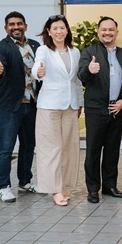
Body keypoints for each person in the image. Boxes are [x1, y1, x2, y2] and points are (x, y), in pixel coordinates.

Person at [78, 16, 122, 203]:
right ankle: (93, 189)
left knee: (112, 150)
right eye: (104, 29)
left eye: (111, 29)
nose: (107, 32)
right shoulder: (89, 52)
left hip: (117, 110)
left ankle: (110, 186)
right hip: (96, 110)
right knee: (93, 151)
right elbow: (82, 76)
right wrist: (89, 70)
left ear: (116, 32)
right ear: (98, 32)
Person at [31, 15, 84, 206]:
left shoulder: (75, 51)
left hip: (70, 105)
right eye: (55, 28)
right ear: (49, 31)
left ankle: (64, 186)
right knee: (51, 149)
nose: (59, 32)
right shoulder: (44, 50)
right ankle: (54, 189)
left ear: (67, 30)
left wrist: (79, 103)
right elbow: (37, 67)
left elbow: (76, 80)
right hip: (49, 106)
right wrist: (38, 72)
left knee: (69, 148)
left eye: (62, 28)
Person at [0, 11, 41, 203]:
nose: (16, 27)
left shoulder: (35, 46)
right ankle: (3, 186)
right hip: (9, 106)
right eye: (12, 24)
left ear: (25, 26)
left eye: (19, 24)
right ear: (6, 28)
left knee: (28, 145)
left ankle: (25, 181)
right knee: (6, 147)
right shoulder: (0, 47)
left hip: (32, 104)